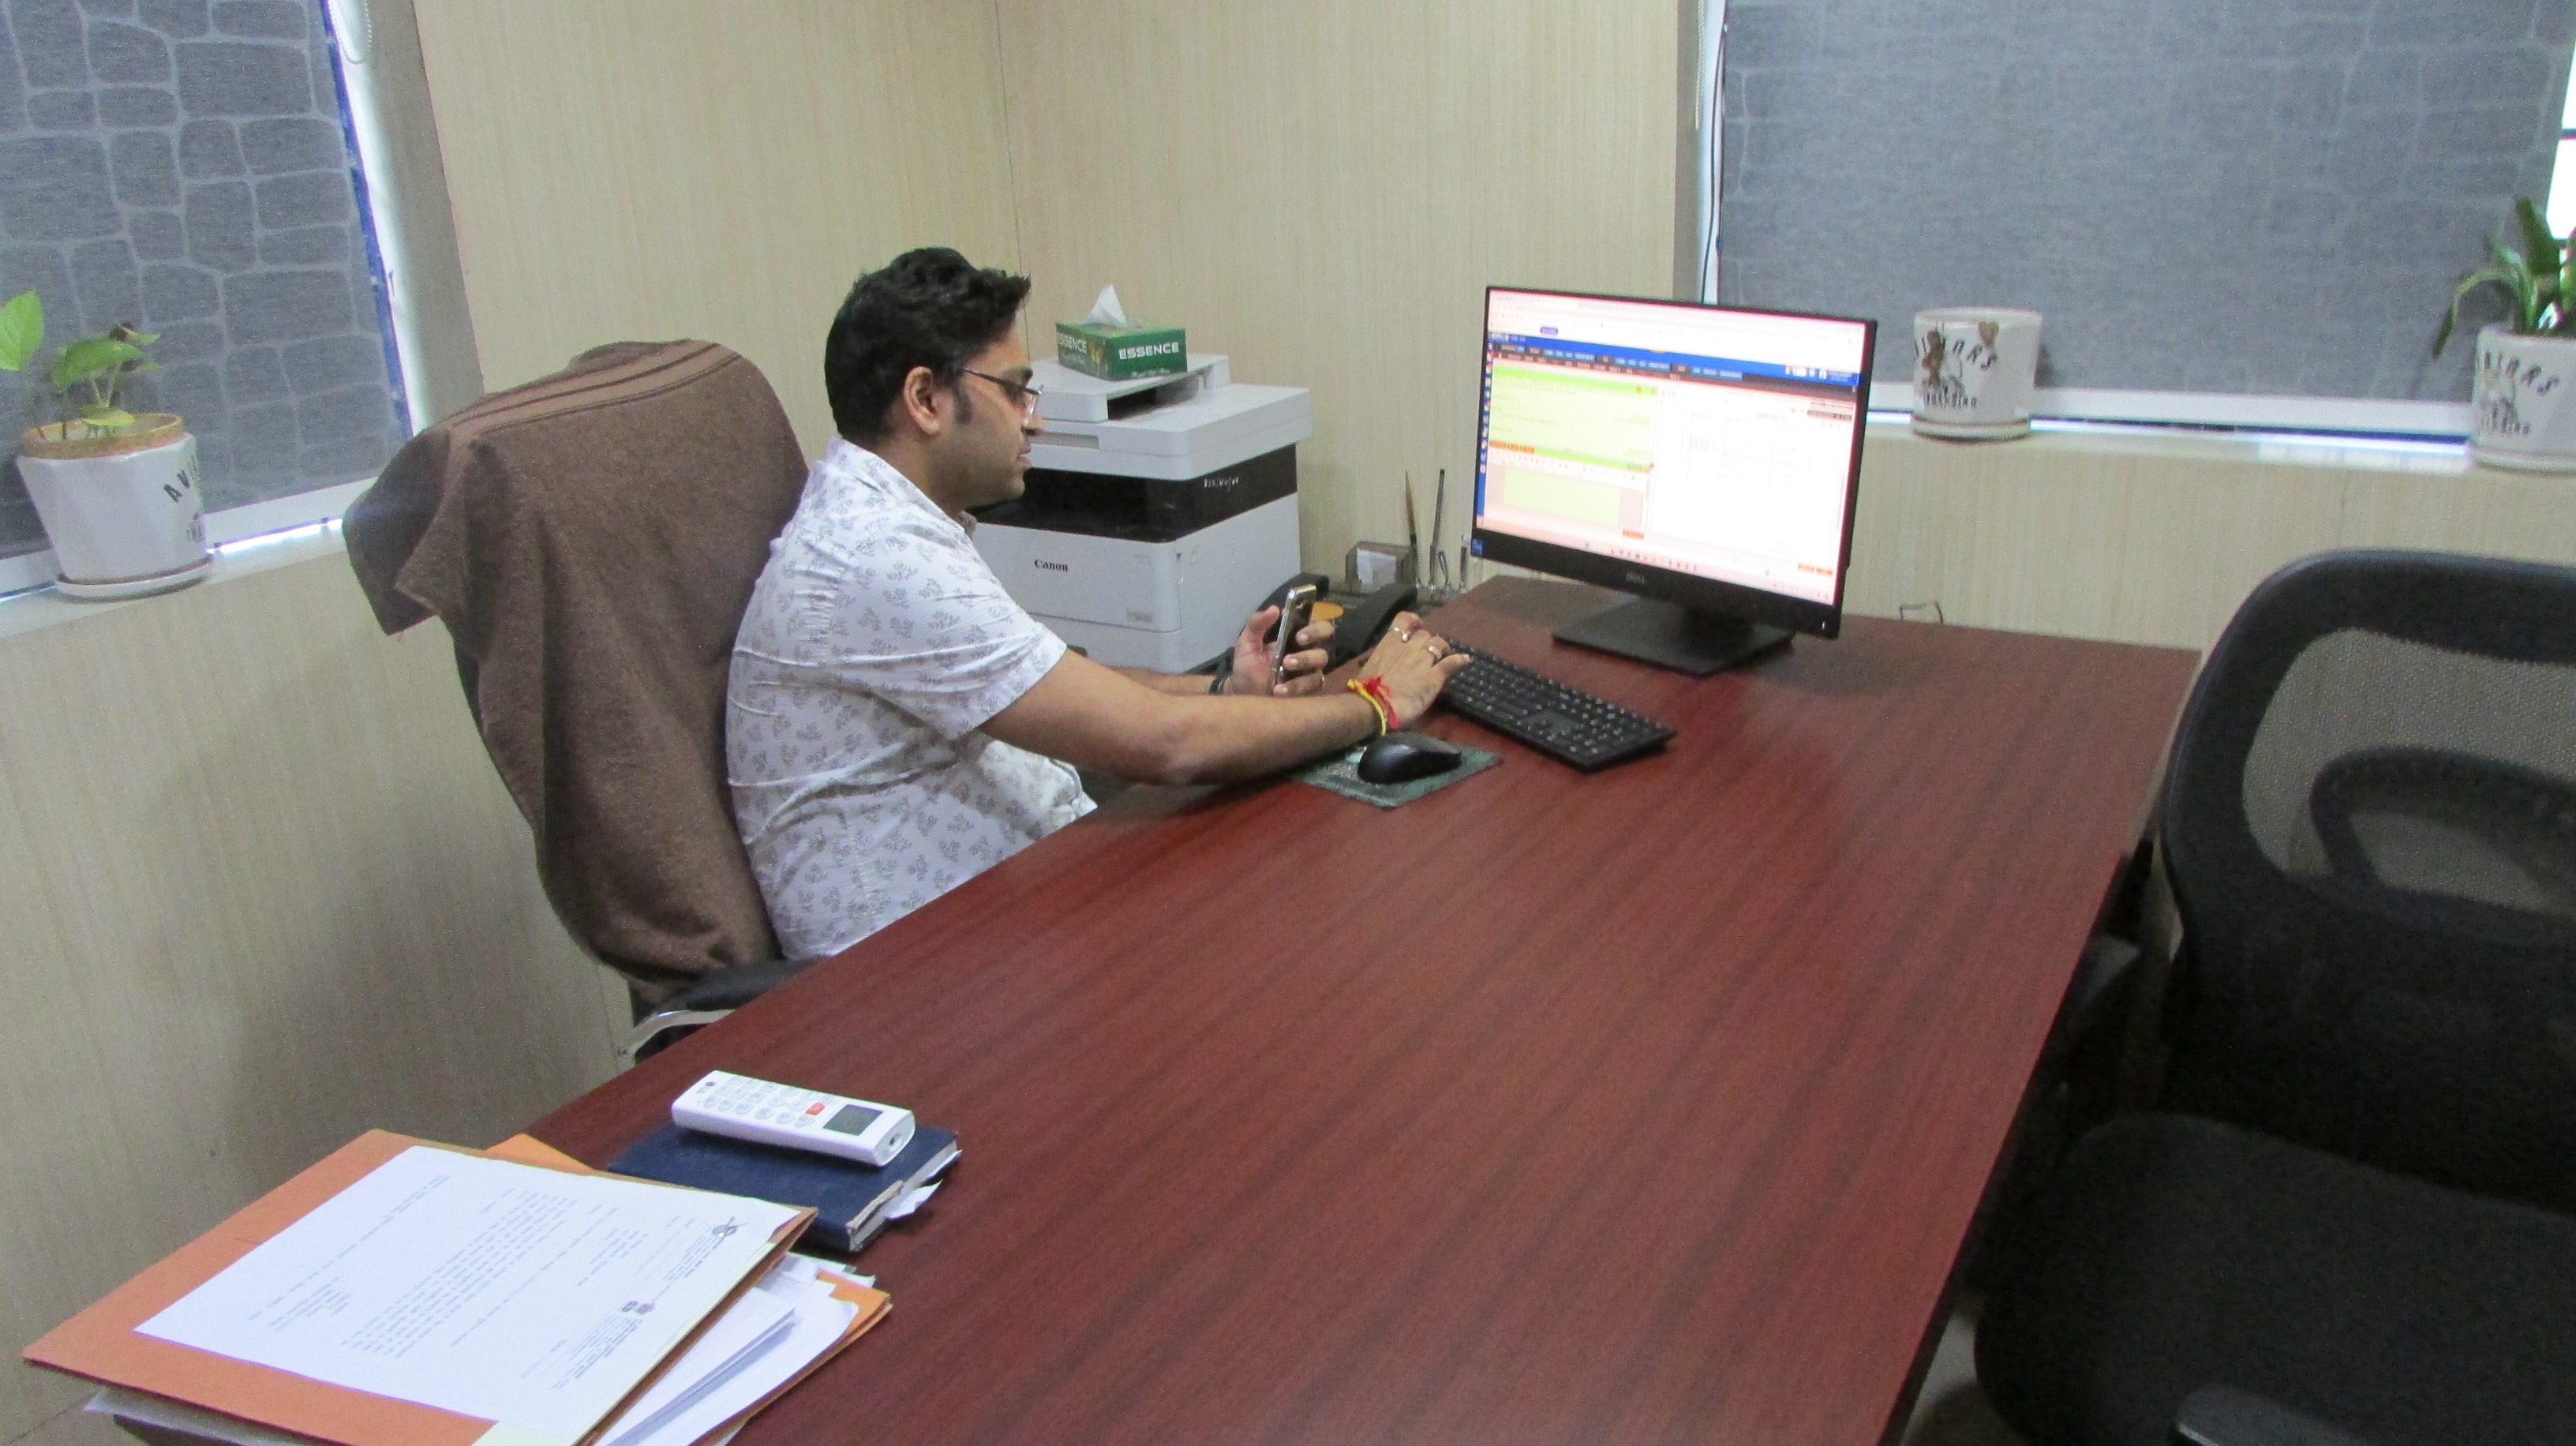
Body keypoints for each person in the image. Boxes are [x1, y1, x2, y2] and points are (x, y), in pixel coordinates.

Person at [729, 248, 1468, 957]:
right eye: (1013, 390)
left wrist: (1223, 691)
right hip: (907, 977)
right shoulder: (878, 557)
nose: (1035, 419)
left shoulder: (884, 521)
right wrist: (1375, 702)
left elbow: (1047, 681)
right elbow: (1166, 746)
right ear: (925, 399)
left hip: (1010, 905)